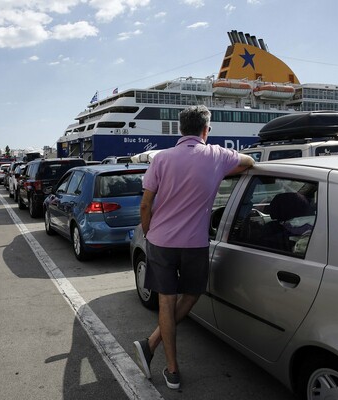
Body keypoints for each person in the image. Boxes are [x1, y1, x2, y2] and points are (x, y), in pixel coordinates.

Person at [132, 105, 255, 389]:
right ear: (206, 130)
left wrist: (150, 233)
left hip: (161, 241)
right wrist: (228, 167)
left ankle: (168, 366)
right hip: (195, 243)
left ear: (179, 129)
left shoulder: (161, 159)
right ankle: (151, 347)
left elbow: (145, 203)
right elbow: (248, 161)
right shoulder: (217, 156)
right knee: (192, 294)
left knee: (165, 300)